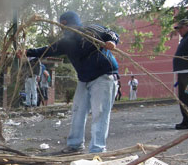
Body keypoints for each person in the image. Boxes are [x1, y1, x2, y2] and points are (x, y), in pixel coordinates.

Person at [18, 11, 119, 154]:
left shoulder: (91, 30)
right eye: (63, 26)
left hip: (103, 76)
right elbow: (47, 50)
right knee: (78, 111)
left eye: (68, 25)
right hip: (84, 79)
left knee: (100, 113)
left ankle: (97, 150)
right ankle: (75, 145)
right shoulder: (66, 43)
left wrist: (111, 42)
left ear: (75, 23)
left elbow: (111, 33)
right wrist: (28, 52)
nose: (66, 29)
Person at [172, 19, 188, 129]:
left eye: (181, 28)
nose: (179, 31)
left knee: (187, 98)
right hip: (184, 73)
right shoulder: (186, 39)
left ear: (187, 26)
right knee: (184, 97)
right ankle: (187, 120)